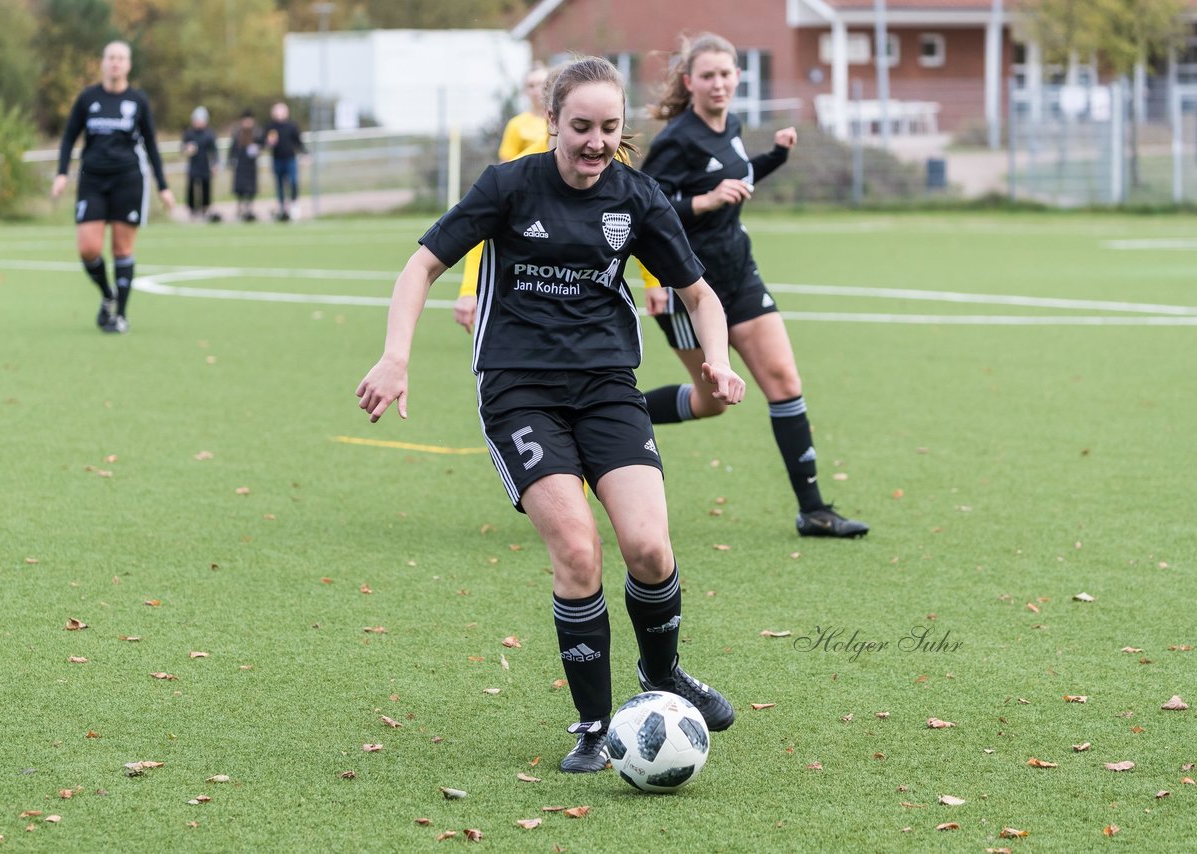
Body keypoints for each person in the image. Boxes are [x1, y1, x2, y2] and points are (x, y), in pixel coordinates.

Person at [357, 57, 746, 773]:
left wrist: (717, 360)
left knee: (650, 550)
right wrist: (396, 356)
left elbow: (700, 294)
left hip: (606, 388)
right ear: (552, 121)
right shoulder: (510, 185)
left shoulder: (638, 196)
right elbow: (422, 267)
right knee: (576, 548)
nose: (595, 143)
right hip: (519, 390)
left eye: (609, 128)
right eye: (580, 128)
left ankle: (662, 675)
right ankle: (595, 726)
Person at [639, 33, 868, 539]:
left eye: (726, 74)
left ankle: (814, 511)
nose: (718, 83)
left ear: (738, 77)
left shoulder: (733, 125)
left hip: (740, 274)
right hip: (690, 287)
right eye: (707, 76)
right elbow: (642, 210)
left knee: (784, 382)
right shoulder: (677, 139)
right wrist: (703, 203)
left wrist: (775, 158)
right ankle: (614, 414)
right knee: (711, 403)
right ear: (689, 82)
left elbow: (734, 177)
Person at [50, 40, 174, 334]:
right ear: (103, 63)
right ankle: (108, 294)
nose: (115, 62)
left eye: (121, 58)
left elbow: (152, 144)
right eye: (110, 57)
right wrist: (61, 173)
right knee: (88, 248)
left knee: (122, 248)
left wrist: (163, 186)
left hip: (128, 180)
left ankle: (121, 314)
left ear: (128, 65)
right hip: (92, 180)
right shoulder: (87, 98)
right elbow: (69, 137)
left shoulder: (138, 101)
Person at [452, 63, 551, 331]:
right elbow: (508, 166)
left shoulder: (566, 124)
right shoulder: (518, 125)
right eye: (531, 85)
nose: (537, 90)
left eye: (542, 83)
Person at [266, 102, 306, 221]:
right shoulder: (271, 127)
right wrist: (268, 143)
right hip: (277, 159)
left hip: (290, 159)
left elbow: (298, 141)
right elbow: (266, 142)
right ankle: (282, 208)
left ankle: (294, 205)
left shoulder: (292, 126)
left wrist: (304, 153)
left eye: (282, 111)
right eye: (277, 111)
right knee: (279, 184)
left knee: (293, 182)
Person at [182, 106, 220, 222]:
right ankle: (192, 209)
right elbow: (183, 147)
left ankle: (205, 208)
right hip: (193, 165)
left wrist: (215, 164)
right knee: (191, 188)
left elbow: (214, 151)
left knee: (206, 187)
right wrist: (187, 149)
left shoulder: (209, 134)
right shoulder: (189, 133)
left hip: (205, 165)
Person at [229, 109, 262, 222]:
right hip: (240, 163)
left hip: (251, 164)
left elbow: (261, 145)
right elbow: (232, 148)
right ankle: (240, 208)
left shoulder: (256, 133)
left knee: (251, 188)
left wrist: (258, 149)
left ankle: (249, 209)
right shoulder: (237, 133)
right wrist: (231, 160)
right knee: (240, 187)